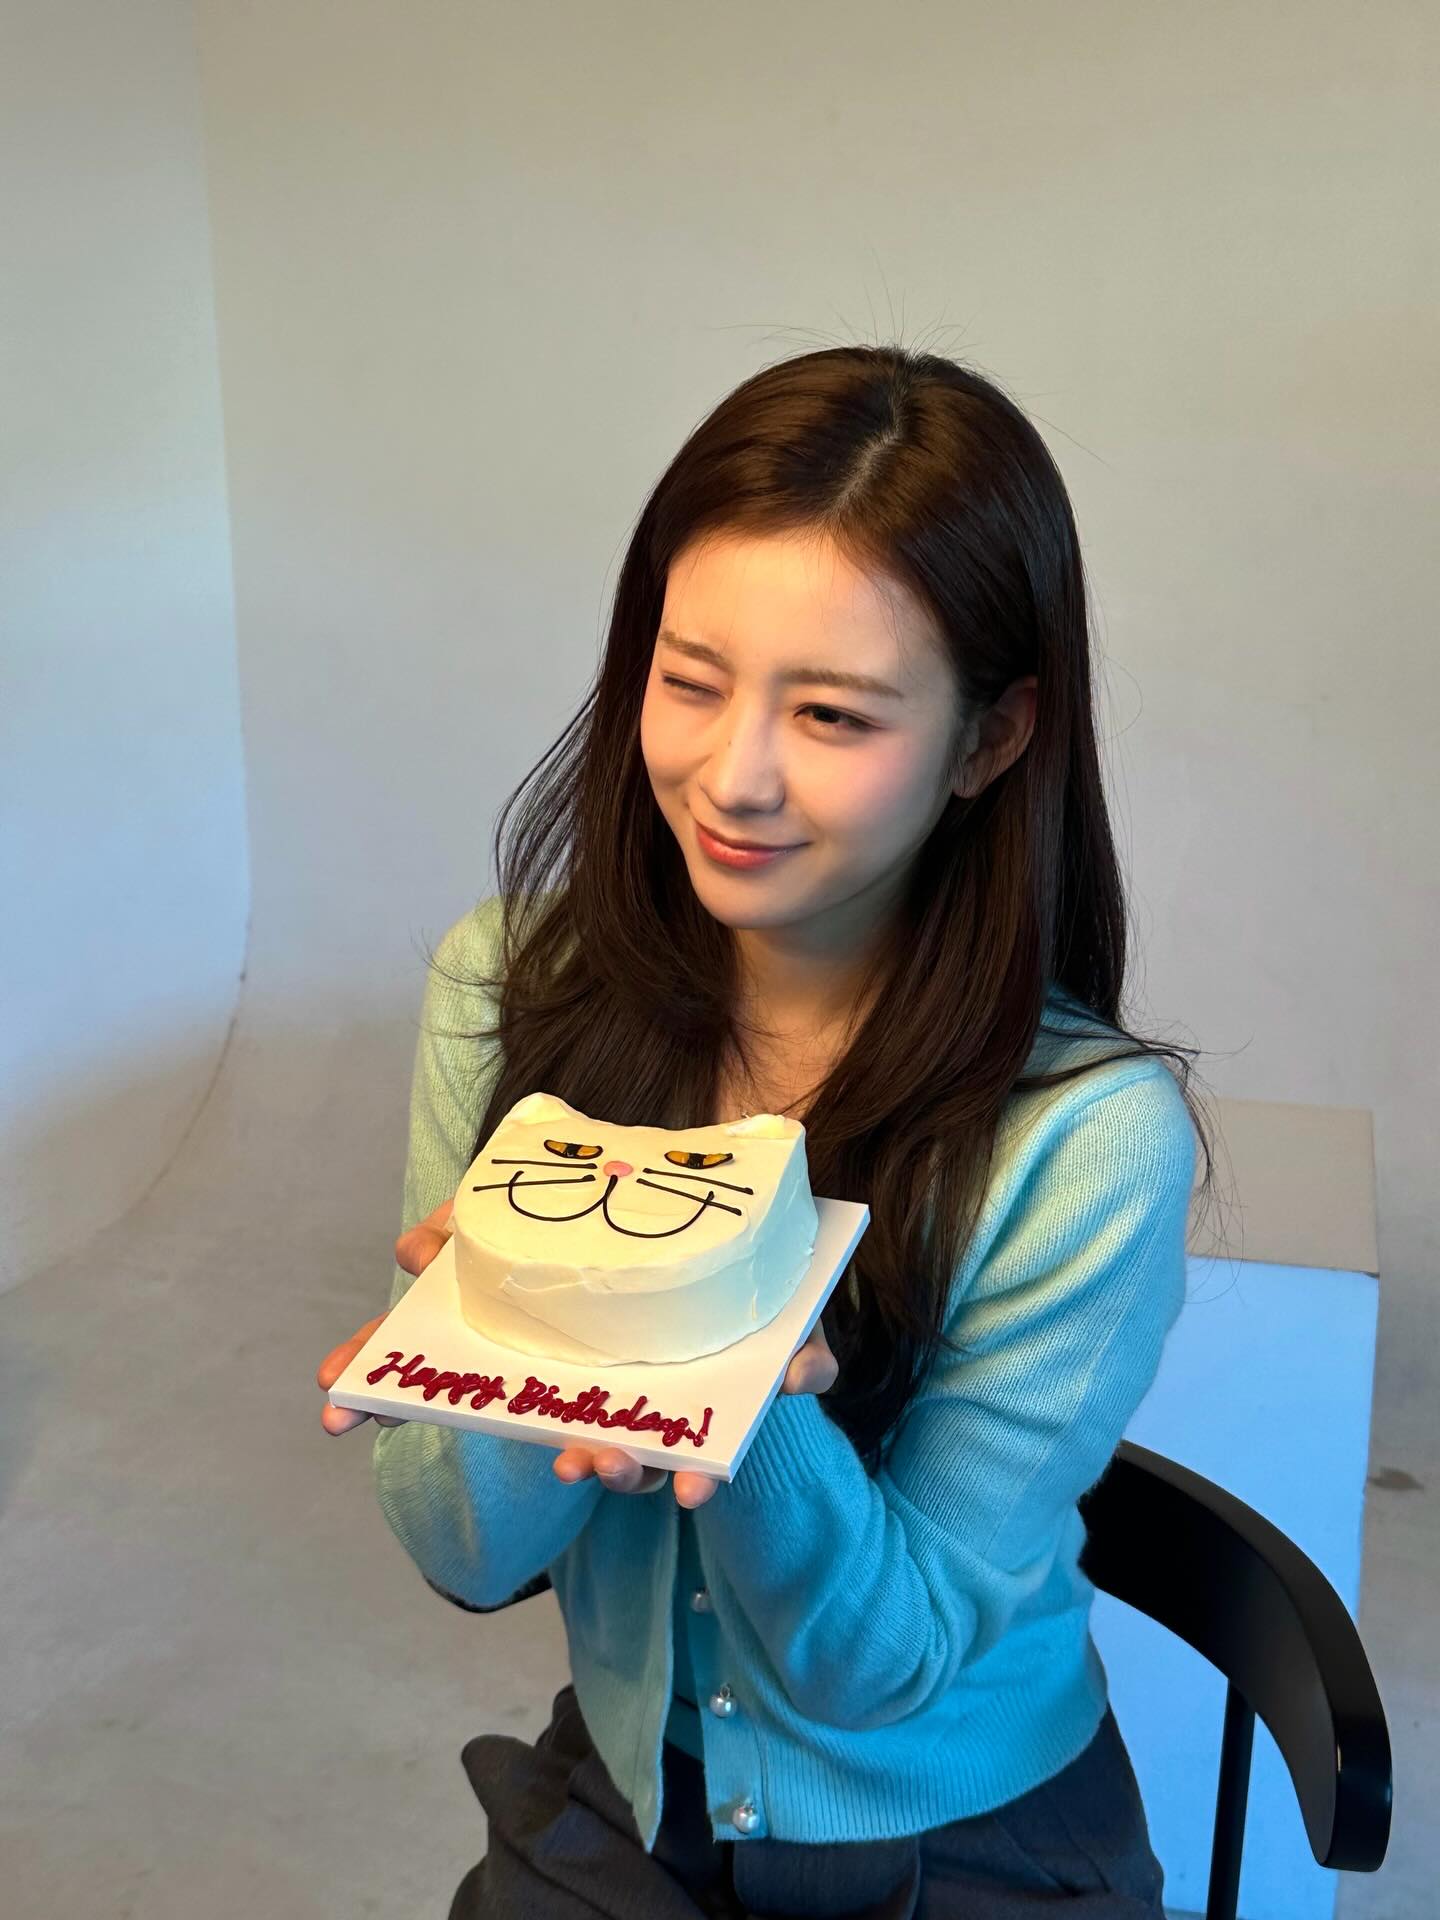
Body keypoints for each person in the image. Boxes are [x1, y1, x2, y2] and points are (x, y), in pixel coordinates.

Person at [316, 340, 1216, 1918]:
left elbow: (876, 1672)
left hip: (971, 1831)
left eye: (835, 715)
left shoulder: (1087, 1143)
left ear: (991, 740)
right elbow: (463, 1551)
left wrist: (725, 1363)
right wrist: (514, 1331)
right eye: (689, 680)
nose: (731, 778)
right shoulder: (509, 991)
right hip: (636, 1781)